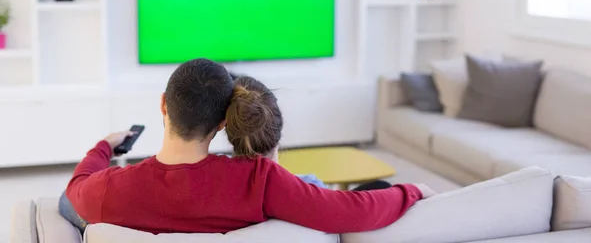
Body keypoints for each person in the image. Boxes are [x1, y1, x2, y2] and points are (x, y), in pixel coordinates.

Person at [60, 58, 433, 235]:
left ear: (163, 105)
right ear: (223, 122)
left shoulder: (109, 191)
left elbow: (74, 190)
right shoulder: (259, 180)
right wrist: (412, 190)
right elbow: (353, 211)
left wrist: (103, 148)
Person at [225, 75, 396, 191]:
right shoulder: (310, 188)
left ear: (225, 127)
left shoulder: (214, 190)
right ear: (279, 123)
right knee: (382, 187)